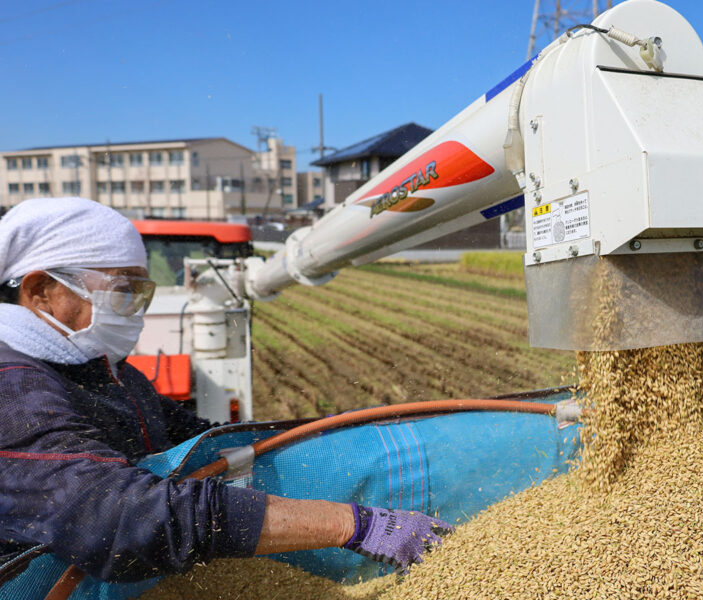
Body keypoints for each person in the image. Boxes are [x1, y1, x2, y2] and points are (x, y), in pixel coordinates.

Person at [0, 197, 450, 583]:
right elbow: (114, 518)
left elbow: (203, 437)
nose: (135, 312)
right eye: (124, 292)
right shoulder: (13, 386)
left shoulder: (107, 371)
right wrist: (352, 525)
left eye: (143, 294)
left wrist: (333, 439)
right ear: (41, 290)